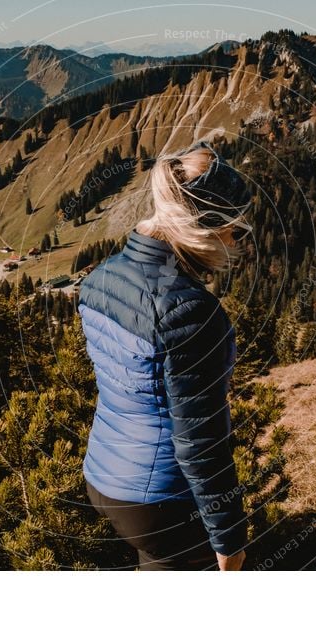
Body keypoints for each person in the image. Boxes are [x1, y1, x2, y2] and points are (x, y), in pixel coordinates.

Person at [76, 140, 253, 571]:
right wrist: (230, 539)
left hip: (104, 476)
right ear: (204, 225)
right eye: (236, 228)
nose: (239, 241)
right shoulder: (190, 312)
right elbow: (200, 442)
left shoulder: (102, 277)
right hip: (162, 496)